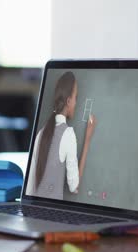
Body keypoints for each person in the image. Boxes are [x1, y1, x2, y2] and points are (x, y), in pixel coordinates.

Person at [26, 71, 96, 200]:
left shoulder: (41, 133)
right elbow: (74, 186)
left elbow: (29, 188)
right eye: (76, 97)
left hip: (34, 211)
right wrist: (87, 139)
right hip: (50, 216)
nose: (76, 102)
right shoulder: (68, 134)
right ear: (69, 101)